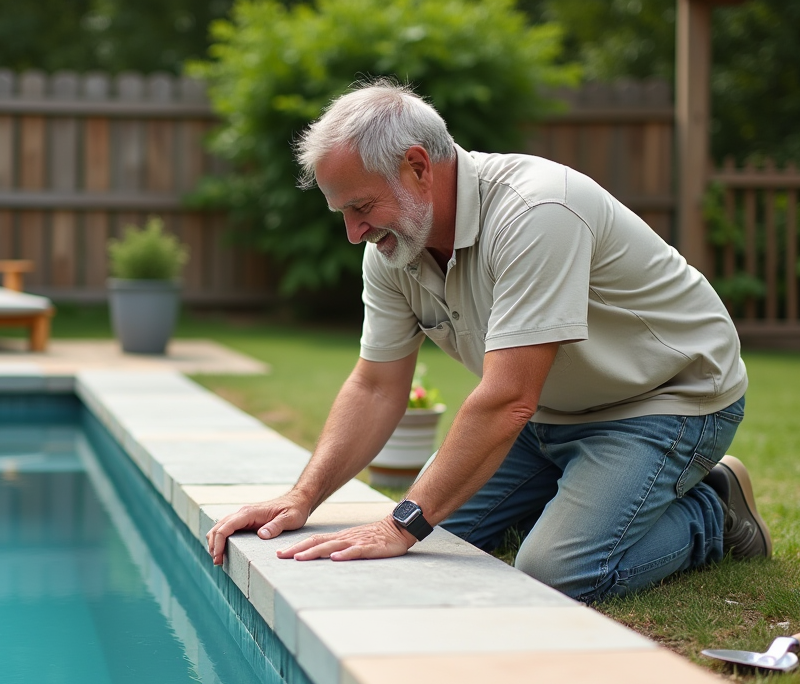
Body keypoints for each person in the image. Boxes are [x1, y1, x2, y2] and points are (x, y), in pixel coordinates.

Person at [205, 79, 771, 603]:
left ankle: (713, 511)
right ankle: (576, 496)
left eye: (360, 207)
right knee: (442, 541)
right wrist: (300, 497)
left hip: (663, 402)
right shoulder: (394, 250)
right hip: (547, 412)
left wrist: (400, 522)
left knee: (554, 574)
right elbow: (376, 387)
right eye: (343, 213)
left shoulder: (537, 211)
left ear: (418, 166)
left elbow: (508, 399)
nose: (353, 232)